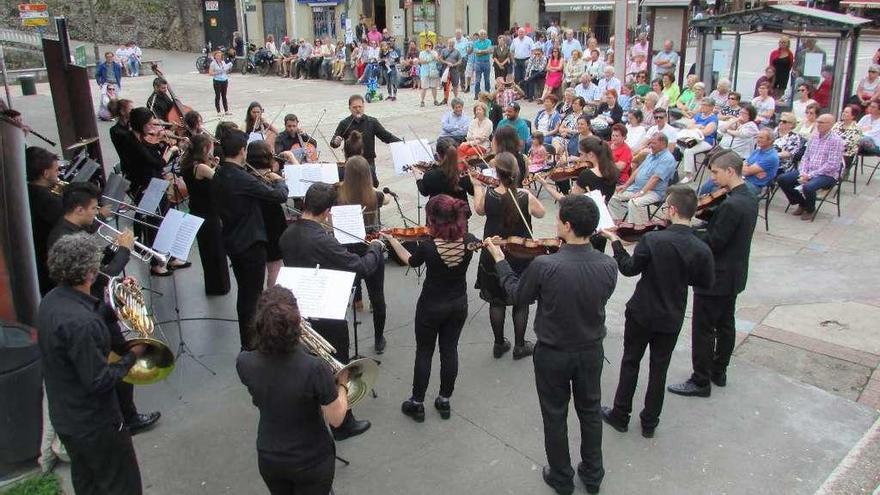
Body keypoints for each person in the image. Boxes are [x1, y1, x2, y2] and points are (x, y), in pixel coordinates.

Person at [485, 194, 617, 495]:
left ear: (567, 226)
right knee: (590, 411)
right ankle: (593, 474)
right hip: (590, 350)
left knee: (555, 415)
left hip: (554, 352)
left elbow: (518, 296)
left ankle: (561, 477)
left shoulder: (545, 265)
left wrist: (501, 260)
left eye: (559, 220)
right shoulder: (608, 266)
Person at [600, 186, 714, 437]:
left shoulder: (653, 240)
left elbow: (629, 268)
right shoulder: (701, 247)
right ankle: (650, 421)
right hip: (671, 315)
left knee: (631, 362)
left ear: (672, 210)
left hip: (642, 311)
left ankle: (621, 414)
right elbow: (703, 282)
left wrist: (616, 243)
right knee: (659, 369)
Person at [38, 233, 147, 494]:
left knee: (88, 484)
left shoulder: (51, 301)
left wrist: (113, 307)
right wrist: (133, 355)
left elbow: (80, 328)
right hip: (96, 424)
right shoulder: (82, 324)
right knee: (122, 485)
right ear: (90, 272)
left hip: (67, 418)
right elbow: (98, 380)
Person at [279, 182, 384, 441]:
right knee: (338, 367)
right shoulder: (321, 240)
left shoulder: (287, 234)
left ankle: (314, 410)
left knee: (310, 361)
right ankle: (342, 423)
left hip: (301, 307)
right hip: (325, 309)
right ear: (326, 211)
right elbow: (361, 267)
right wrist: (375, 248)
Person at [237, 286, 349, 495]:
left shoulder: (244, 362)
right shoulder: (315, 368)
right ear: (296, 320)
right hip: (311, 459)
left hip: (269, 456)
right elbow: (336, 418)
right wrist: (342, 384)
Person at [668, 150, 758, 397]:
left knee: (704, 328)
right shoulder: (749, 193)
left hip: (717, 275)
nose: (714, 179)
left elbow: (715, 241)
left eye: (717, 173)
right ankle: (719, 371)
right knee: (726, 324)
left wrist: (687, 231)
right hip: (736, 272)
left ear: (730, 171)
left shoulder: (732, 204)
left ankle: (700, 380)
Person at [380, 195, 478, 421]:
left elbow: (410, 260)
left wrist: (393, 240)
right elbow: (467, 243)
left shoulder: (428, 247)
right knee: (449, 350)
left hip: (431, 306)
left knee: (424, 352)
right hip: (458, 304)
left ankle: (417, 402)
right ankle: (444, 400)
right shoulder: (469, 240)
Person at [211, 129, 289, 350]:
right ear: (242, 151)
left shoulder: (219, 174)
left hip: (233, 240)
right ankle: (252, 342)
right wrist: (278, 180)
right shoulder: (241, 178)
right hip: (250, 244)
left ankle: (248, 340)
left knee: (245, 294)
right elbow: (279, 196)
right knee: (252, 297)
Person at [472, 152, 546, 360]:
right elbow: (541, 213)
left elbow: (478, 210)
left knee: (497, 300)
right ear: (516, 172)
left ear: (497, 172)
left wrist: (477, 186)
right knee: (520, 301)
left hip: (494, 252)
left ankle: (499, 344)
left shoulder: (489, 194)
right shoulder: (524, 195)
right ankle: (520, 346)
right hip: (520, 253)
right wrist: (528, 193)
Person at [337, 156, 391, 352]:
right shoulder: (375, 196)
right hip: (371, 249)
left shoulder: (339, 196)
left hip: (346, 251)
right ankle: (379, 339)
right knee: (378, 297)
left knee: (343, 296)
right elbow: (387, 199)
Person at [180, 134, 230, 295]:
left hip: (196, 209)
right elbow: (220, 180)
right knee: (216, 250)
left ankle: (212, 284)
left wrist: (213, 165)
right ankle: (220, 286)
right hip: (208, 212)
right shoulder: (201, 167)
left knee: (206, 250)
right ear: (204, 149)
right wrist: (217, 165)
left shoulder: (188, 164)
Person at [777, 114, 844, 220]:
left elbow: (832, 165)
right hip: (808, 170)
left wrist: (810, 175)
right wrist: (803, 171)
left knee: (808, 187)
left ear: (830, 125)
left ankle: (810, 209)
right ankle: (802, 203)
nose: (818, 125)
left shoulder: (836, 141)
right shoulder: (814, 137)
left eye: (821, 123)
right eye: (818, 122)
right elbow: (806, 157)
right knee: (783, 179)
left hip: (827, 174)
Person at [331, 95, 402, 187]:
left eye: (360, 107)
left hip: (369, 162)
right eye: (354, 107)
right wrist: (335, 142)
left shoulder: (372, 122)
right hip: (351, 162)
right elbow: (333, 142)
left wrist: (401, 143)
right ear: (349, 108)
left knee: (372, 185)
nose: (358, 109)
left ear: (363, 106)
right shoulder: (344, 124)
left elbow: (386, 136)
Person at [247, 141, 289, 288]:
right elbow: (281, 195)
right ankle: (271, 300)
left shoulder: (245, 177)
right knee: (274, 269)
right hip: (272, 227)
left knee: (254, 275)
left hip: (252, 228)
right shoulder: (269, 179)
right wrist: (279, 178)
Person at [609, 133, 677, 224]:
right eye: (650, 143)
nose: (650, 146)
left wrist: (641, 193)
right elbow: (637, 171)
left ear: (663, 144)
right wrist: (625, 185)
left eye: (654, 143)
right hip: (637, 188)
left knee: (634, 202)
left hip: (654, 192)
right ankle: (618, 221)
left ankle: (639, 227)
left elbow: (655, 178)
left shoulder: (667, 159)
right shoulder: (651, 155)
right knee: (611, 196)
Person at [26, 146, 64, 295]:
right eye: (56, 170)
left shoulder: (29, 190)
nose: (58, 173)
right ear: (45, 173)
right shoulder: (48, 200)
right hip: (48, 261)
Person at [699, 129, 780, 195]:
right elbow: (742, 165)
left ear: (770, 141)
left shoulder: (771, 157)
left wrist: (748, 169)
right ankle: (695, 200)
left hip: (754, 185)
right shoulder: (758, 150)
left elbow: (746, 171)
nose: (758, 140)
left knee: (722, 188)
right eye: (757, 137)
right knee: (715, 179)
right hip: (742, 178)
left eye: (761, 138)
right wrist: (753, 171)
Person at [416, 138, 474, 204]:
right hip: (461, 211)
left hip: (439, 211)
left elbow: (424, 192)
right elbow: (472, 191)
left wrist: (418, 179)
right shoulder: (463, 173)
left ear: (438, 155)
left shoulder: (430, 175)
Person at [679, 98, 719, 183]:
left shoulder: (713, 119)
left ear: (711, 107)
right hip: (693, 138)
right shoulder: (699, 115)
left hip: (707, 141)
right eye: (702, 104)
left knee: (688, 151)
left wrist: (695, 127)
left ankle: (689, 175)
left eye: (705, 105)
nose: (702, 106)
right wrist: (699, 126)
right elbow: (689, 126)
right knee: (678, 145)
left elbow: (707, 132)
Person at [832, 104, 864, 169]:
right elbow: (830, 136)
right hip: (832, 151)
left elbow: (848, 144)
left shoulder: (856, 129)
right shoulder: (837, 124)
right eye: (843, 111)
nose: (843, 113)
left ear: (853, 116)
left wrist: (834, 144)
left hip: (845, 155)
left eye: (846, 112)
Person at [209, 50, 233, 116]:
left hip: (224, 80)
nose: (219, 57)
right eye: (217, 56)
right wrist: (218, 72)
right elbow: (210, 73)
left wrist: (228, 68)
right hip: (217, 80)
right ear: (215, 56)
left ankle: (226, 110)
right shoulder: (213, 63)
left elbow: (225, 70)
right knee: (217, 96)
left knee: (224, 96)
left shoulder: (223, 62)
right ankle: (218, 111)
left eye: (220, 56)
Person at [439, 38, 463, 104]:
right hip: (446, 70)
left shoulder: (457, 51)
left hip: (454, 70)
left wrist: (454, 64)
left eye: (452, 43)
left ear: (454, 44)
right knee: (445, 85)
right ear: (448, 43)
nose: (451, 44)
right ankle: (445, 99)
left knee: (455, 85)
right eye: (450, 43)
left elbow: (460, 61)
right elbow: (440, 58)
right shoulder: (443, 50)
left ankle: (456, 99)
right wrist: (446, 62)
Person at [417, 41, 441, 106]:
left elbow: (437, 59)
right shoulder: (422, 53)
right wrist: (430, 59)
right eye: (427, 45)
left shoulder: (434, 52)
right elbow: (422, 61)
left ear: (432, 46)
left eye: (429, 45)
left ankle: (435, 100)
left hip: (433, 71)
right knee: (424, 87)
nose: (428, 47)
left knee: (434, 87)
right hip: (425, 72)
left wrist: (430, 52)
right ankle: (422, 101)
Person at [472, 30, 493, 98]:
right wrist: (485, 51)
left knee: (487, 79)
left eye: (484, 34)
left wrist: (480, 51)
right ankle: (477, 94)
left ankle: (487, 94)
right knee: (477, 80)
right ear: (479, 35)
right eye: (482, 34)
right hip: (478, 63)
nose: (483, 35)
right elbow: (476, 51)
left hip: (486, 62)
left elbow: (489, 50)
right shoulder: (475, 42)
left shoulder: (488, 41)